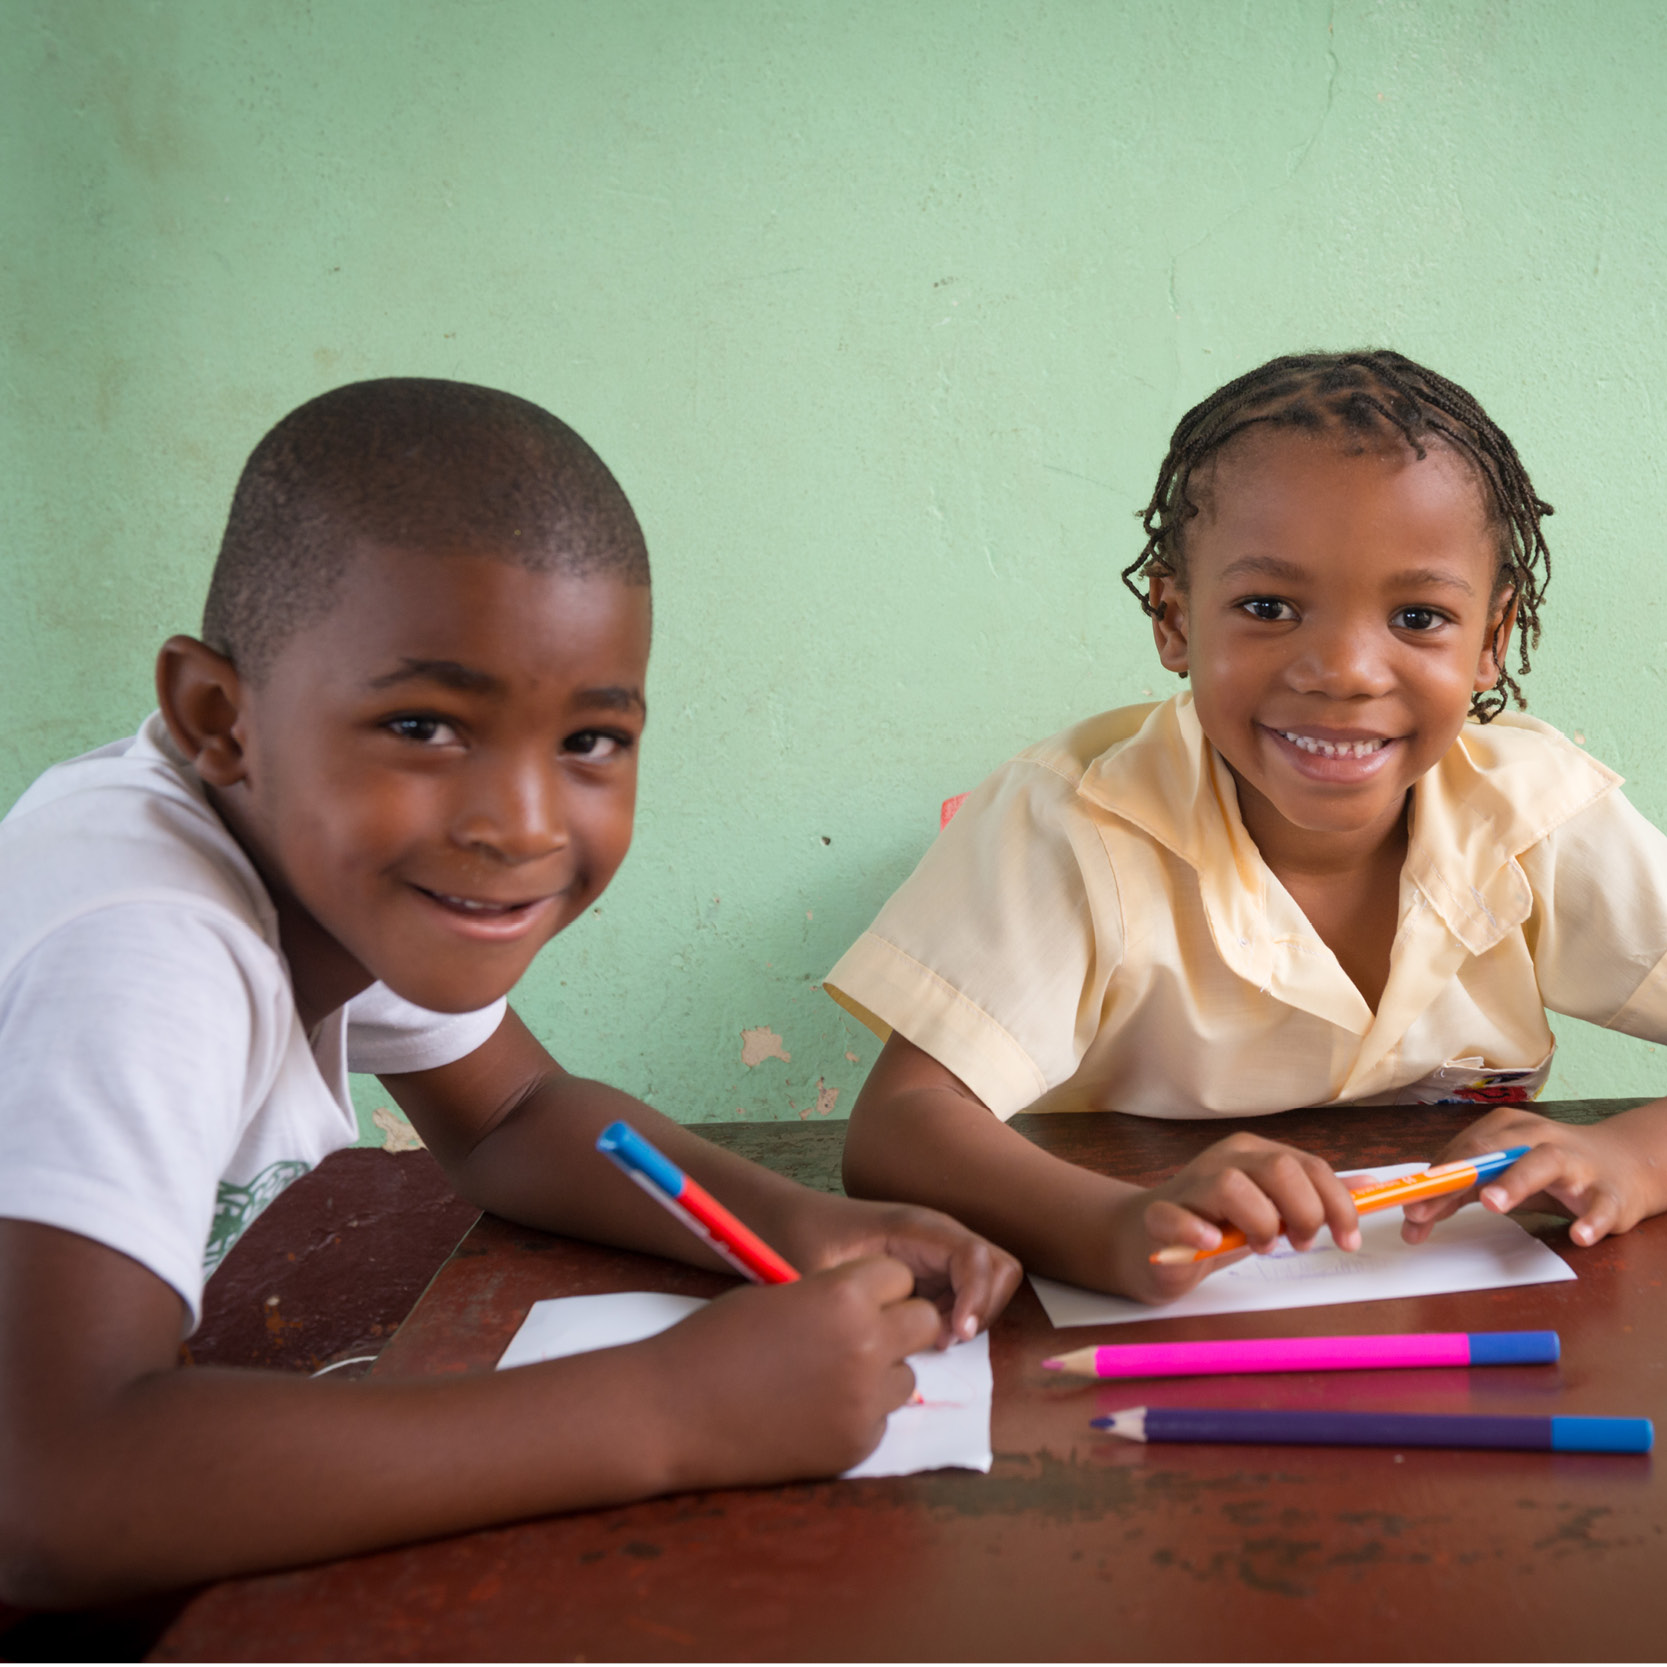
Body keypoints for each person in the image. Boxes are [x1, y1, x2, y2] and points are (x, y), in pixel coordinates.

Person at [0, 379, 1020, 1609]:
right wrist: (673, 1409)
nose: (520, 826)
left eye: (590, 740)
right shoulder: (147, 944)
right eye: (425, 724)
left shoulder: (300, 856)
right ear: (220, 716)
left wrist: (793, 1223)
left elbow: (511, 1109)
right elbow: (48, 1488)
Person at [827, 350, 1667, 1304]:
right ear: (1173, 616)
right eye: (1268, 607)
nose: (1344, 669)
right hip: (1151, 1317)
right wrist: (1108, 1224)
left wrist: (1634, 1157)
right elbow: (898, 1125)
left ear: (1492, 638)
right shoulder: (1072, 819)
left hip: (1465, 1317)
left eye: (1418, 615)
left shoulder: (1536, 811)